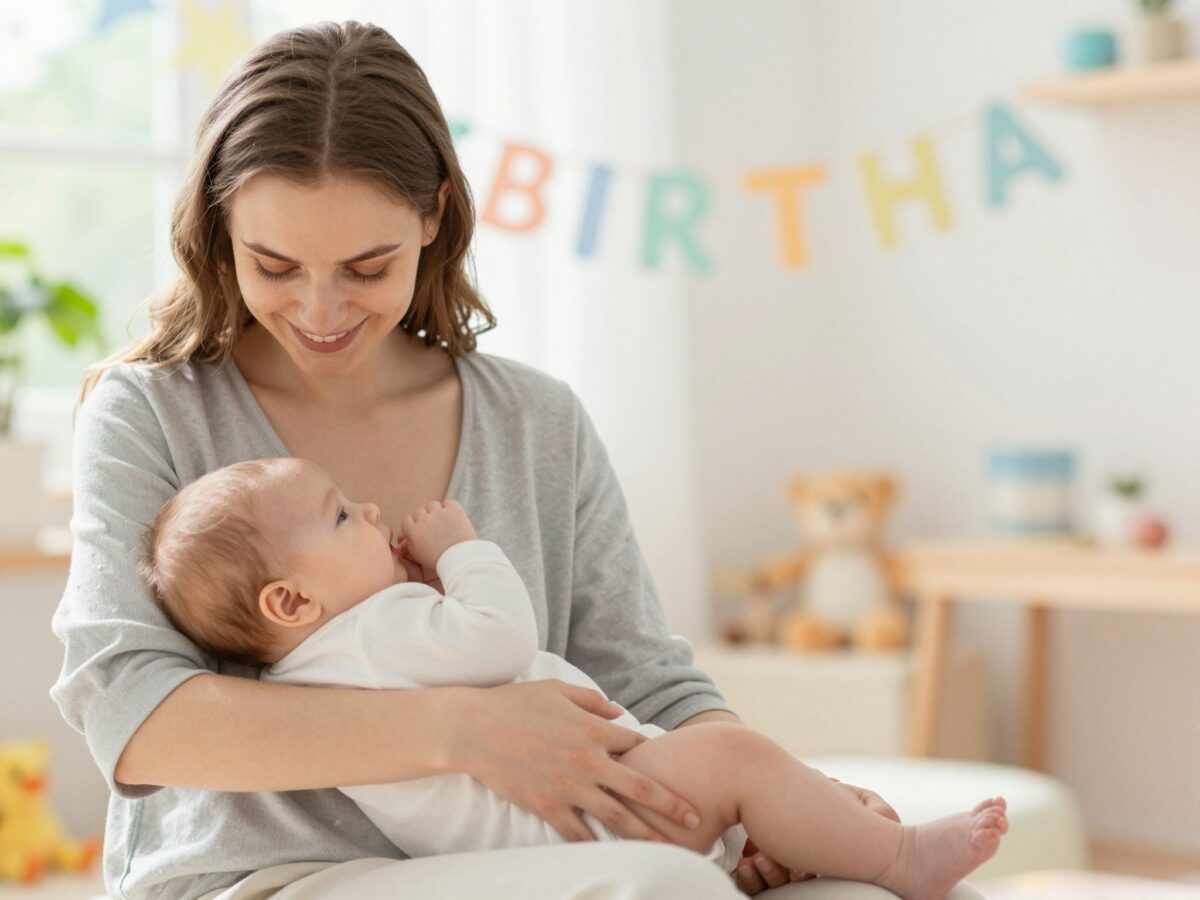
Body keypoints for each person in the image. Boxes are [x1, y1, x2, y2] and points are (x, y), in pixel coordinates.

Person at [49, 20, 982, 900]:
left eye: (367, 268)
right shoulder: (153, 411)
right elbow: (136, 717)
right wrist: (464, 732)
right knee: (661, 888)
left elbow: (648, 680)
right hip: (269, 877)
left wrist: (782, 802)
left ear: (433, 216)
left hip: (542, 859)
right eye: (275, 266)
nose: (320, 312)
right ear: (221, 232)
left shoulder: (537, 421)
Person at [137, 455, 1009, 900]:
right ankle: (901, 857)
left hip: (544, 834)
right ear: (292, 600)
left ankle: (759, 851)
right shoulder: (372, 634)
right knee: (737, 760)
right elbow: (502, 638)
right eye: (339, 518)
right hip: (577, 818)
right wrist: (461, 551)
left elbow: (635, 669)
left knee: (741, 787)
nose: (368, 510)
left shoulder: (318, 672)